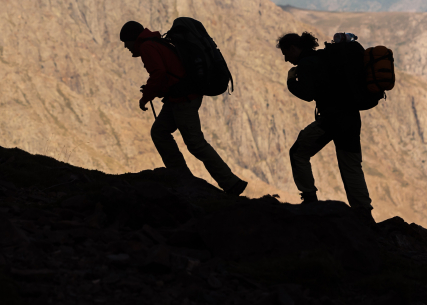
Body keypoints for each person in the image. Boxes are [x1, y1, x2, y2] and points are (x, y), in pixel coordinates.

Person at [120, 20, 248, 196]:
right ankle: (180, 176)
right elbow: (169, 72)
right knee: (160, 132)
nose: (126, 47)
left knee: (195, 143)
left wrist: (146, 96)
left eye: (126, 43)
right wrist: (156, 89)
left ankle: (231, 183)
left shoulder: (147, 47)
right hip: (179, 97)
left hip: (183, 99)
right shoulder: (156, 41)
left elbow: (159, 73)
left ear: (132, 39)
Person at [277, 31, 374, 223]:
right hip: (351, 117)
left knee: (298, 153)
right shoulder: (325, 56)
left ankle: (309, 199)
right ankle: (364, 212)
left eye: (286, 54)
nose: (287, 60)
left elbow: (307, 94)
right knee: (351, 165)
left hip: (331, 120)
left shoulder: (306, 63)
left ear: (294, 48)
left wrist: (290, 82)